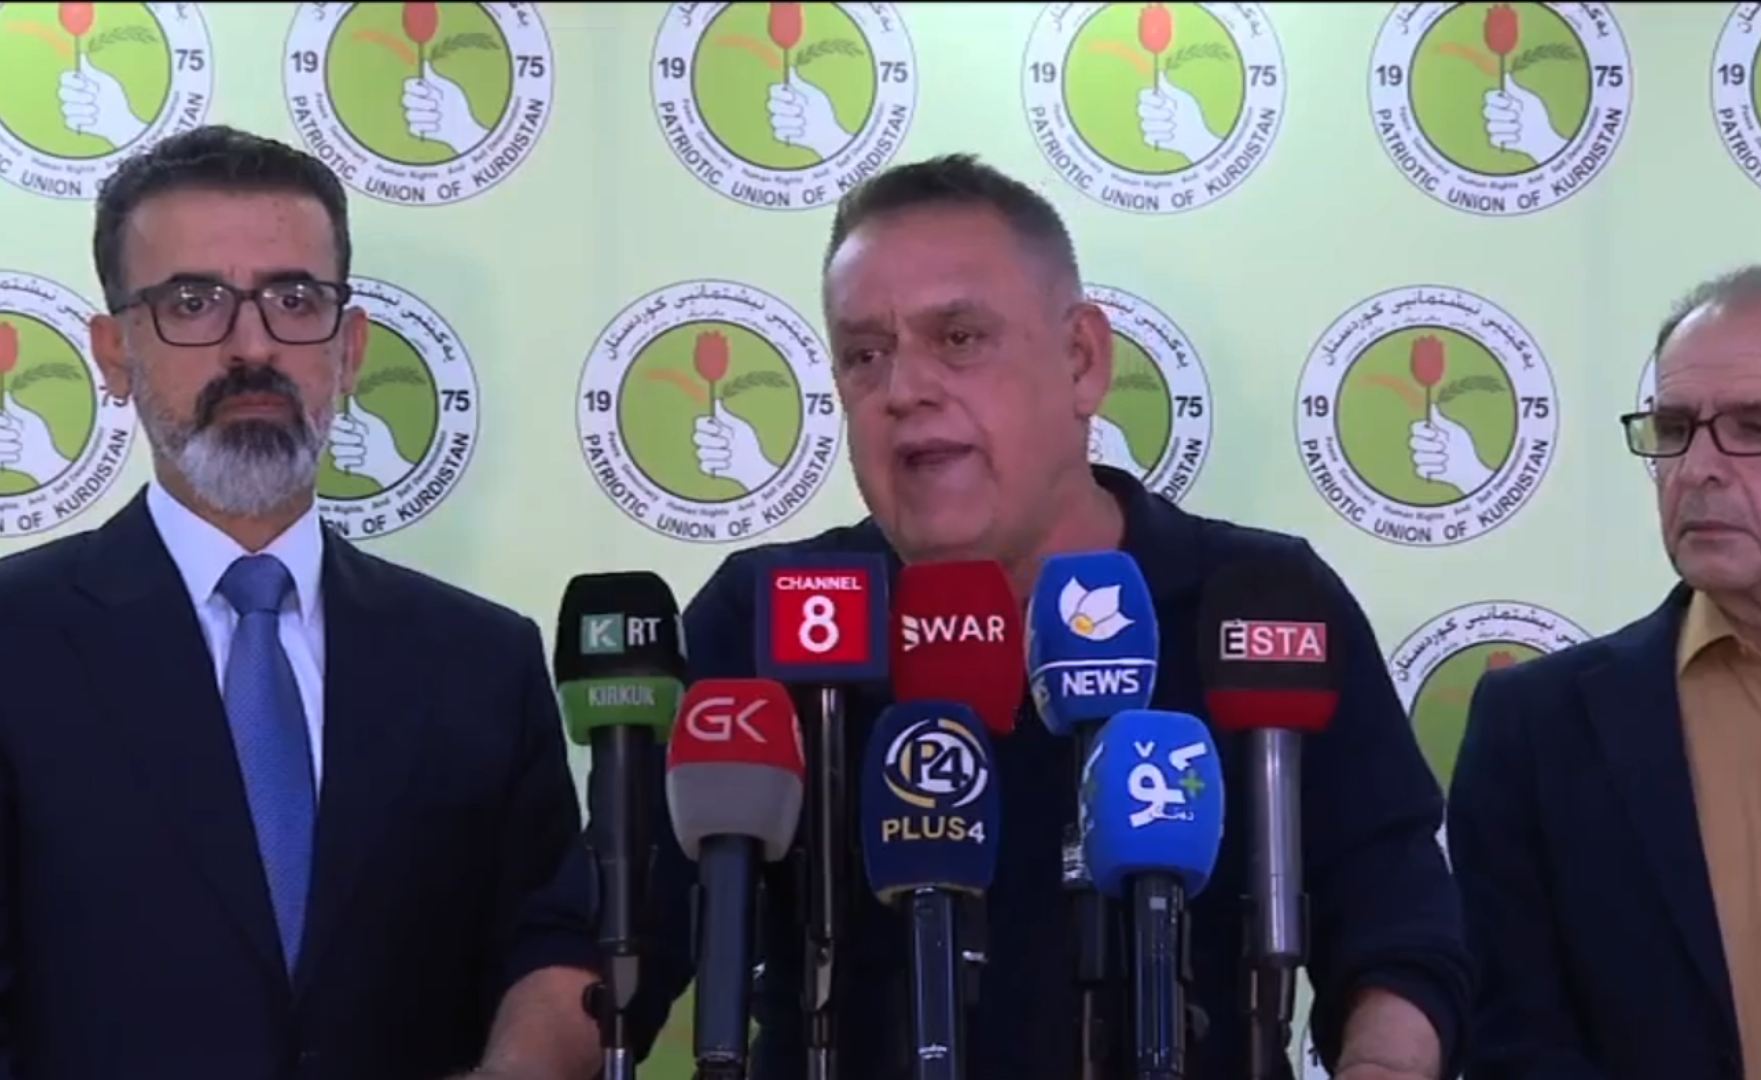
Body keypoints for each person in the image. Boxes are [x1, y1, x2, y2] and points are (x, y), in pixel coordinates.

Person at [633, 154, 1470, 1079]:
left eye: (959, 338)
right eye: (866, 355)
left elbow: (1399, 930)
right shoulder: (765, 615)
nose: (903, 389)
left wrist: (1385, 1063)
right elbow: (616, 940)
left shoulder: (1262, 600)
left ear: (1081, 362)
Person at [0, 125, 600, 1079]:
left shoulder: (481, 661)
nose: (253, 346)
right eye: (193, 303)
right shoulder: (18, 642)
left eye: (294, 300)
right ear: (114, 354)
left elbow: (552, 941)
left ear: (349, 350)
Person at [1448, 266, 1761, 1079]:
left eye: (1754, 426)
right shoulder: (1536, 727)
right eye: (1674, 428)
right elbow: (1515, 1040)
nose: (1697, 467)